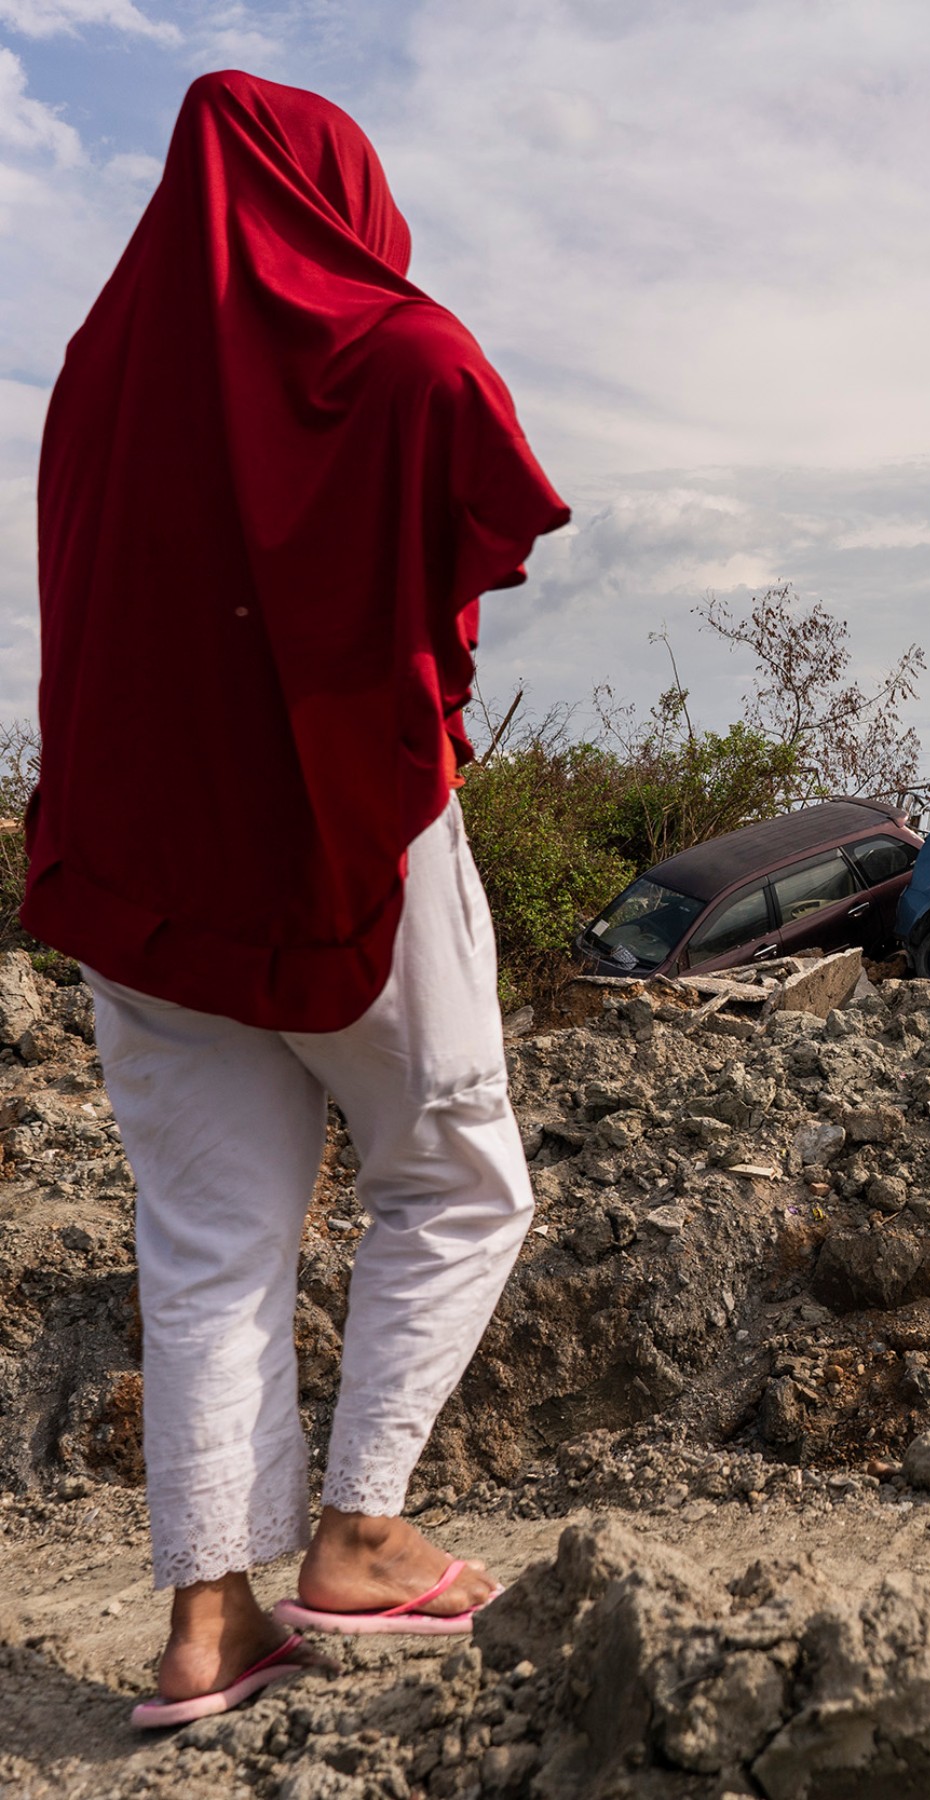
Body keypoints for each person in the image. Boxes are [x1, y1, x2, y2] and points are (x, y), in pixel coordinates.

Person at [21, 69, 569, 1725]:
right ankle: (361, 1530)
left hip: (147, 872)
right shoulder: (394, 350)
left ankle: (208, 1625)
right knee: (459, 1174)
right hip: (349, 837)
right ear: (333, 193)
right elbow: (494, 501)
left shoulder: (100, 378)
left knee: (206, 1246)